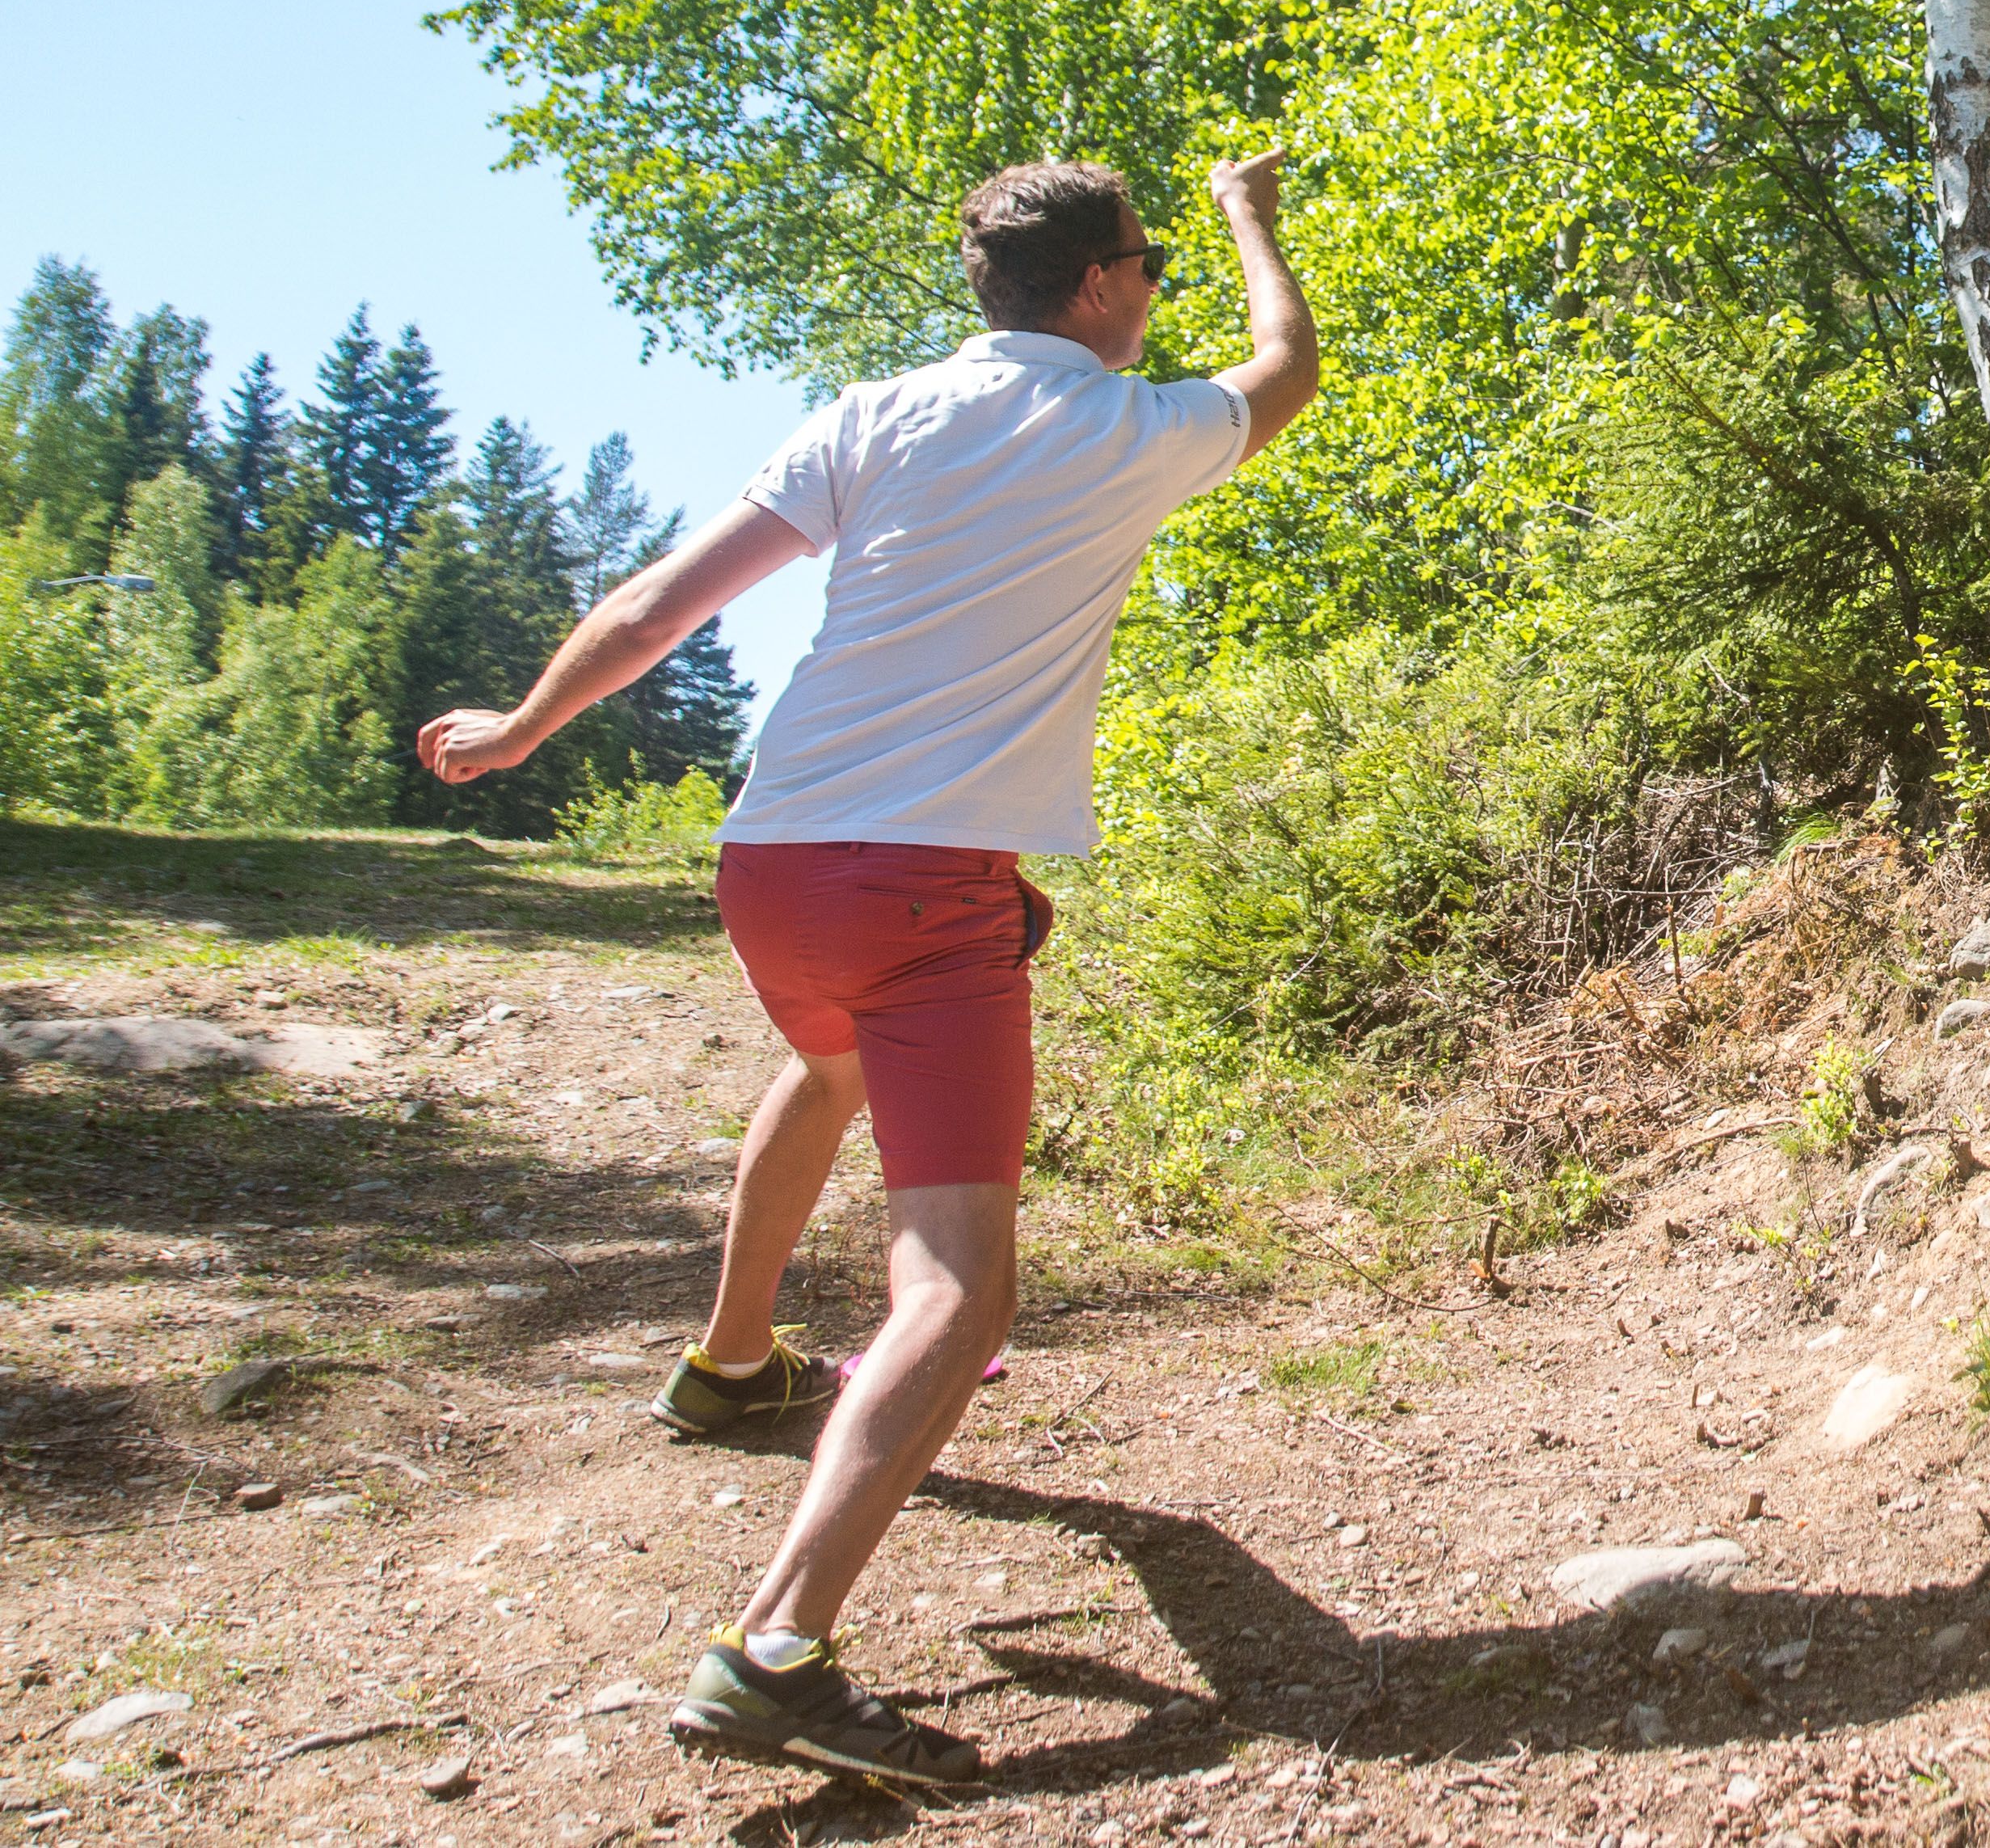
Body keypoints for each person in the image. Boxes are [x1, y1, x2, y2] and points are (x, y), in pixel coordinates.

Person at [415, 148, 1317, 1783]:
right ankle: (777, 1650)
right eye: (1155, 262)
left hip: (775, 863)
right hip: (922, 895)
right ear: (1101, 285)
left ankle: (735, 1364)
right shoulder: (1128, 428)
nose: (1160, 287)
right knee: (959, 1285)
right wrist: (1255, 222)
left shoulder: (874, 414)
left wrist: (524, 724)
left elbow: (657, 604)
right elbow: (1289, 372)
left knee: (834, 1064)